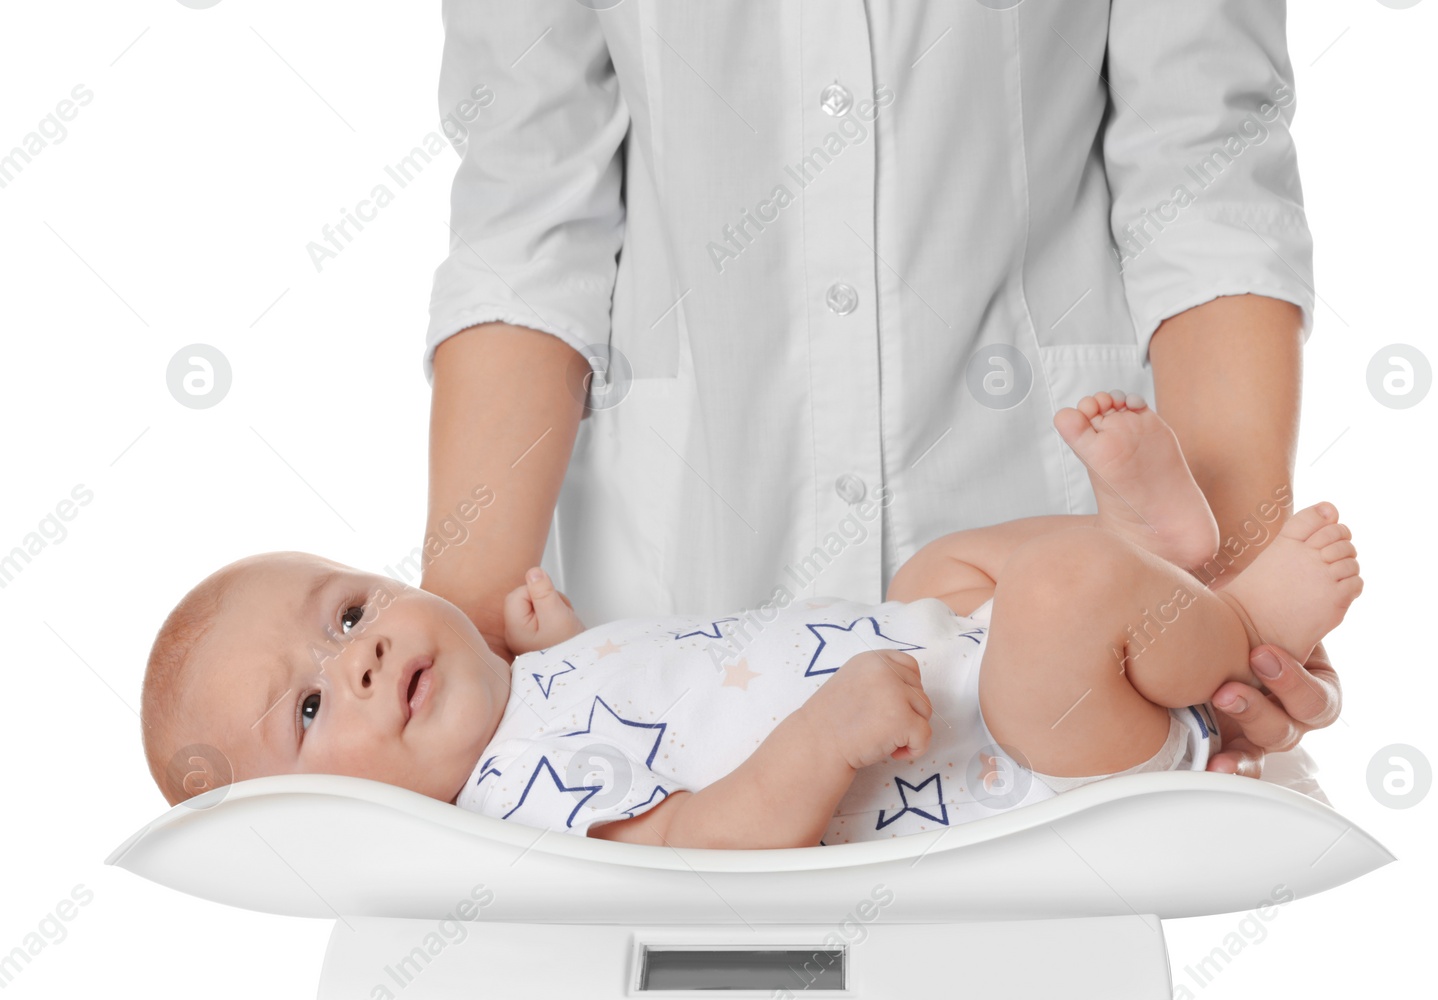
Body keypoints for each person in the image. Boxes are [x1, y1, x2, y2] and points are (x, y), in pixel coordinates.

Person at [418, 0, 1337, 781]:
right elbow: (530, 210)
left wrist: (1239, 623)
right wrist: (456, 660)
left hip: (1053, 618)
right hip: (678, 597)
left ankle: (1154, 554)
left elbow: (1205, 163)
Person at [137, 395, 1361, 849]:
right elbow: (698, 845)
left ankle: (1166, 563)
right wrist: (817, 743)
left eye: (347, 611)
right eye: (307, 705)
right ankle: (1238, 620)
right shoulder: (519, 831)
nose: (353, 659)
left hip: (940, 651)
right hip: (1026, 754)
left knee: (951, 563)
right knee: (1064, 590)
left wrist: (565, 646)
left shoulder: (527, 701)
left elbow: (661, 701)